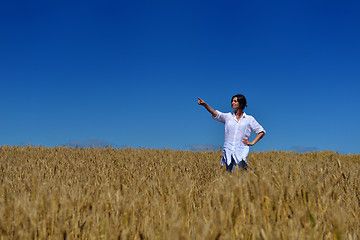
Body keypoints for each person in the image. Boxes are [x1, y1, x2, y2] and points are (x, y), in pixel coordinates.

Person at [197, 94, 265, 172]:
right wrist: (205, 105)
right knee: (229, 174)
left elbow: (261, 131)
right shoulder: (228, 117)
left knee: (243, 172)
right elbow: (215, 113)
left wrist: (252, 143)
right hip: (228, 149)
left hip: (241, 149)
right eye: (232, 101)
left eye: (235, 101)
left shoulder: (249, 119)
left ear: (241, 103)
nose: (232, 102)